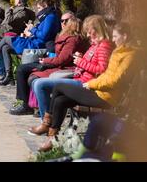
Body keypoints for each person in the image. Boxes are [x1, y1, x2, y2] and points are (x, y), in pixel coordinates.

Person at [36, 22, 137, 152]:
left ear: (125, 35)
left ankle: (48, 127)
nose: (113, 39)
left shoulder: (130, 55)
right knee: (60, 100)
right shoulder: (118, 51)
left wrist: (91, 84)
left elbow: (114, 80)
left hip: (107, 97)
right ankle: (52, 137)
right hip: (99, 91)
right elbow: (107, 74)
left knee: (59, 87)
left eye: (116, 36)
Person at [29, 15, 113, 132]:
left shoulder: (104, 46)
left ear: (96, 30)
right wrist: (81, 58)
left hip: (86, 83)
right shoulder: (95, 45)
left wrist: (81, 62)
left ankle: (47, 123)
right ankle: (48, 125)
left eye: (89, 32)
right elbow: (91, 63)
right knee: (40, 84)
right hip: (79, 78)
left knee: (40, 84)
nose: (88, 35)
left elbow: (101, 70)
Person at [10, 12, 85, 115]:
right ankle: (28, 105)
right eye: (61, 21)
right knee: (22, 69)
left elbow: (62, 59)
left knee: (28, 74)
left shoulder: (72, 39)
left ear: (73, 22)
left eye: (66, 21)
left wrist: (45, 61)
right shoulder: (63, 35)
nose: (63, 23)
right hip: (54, 62)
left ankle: (36, 107)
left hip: (61, 67)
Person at [0, 0, 61, 86]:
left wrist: (32, 30)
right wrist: (30, 31)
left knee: (7, 38)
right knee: (5, 47)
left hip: (36, 45)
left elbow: (44, 36)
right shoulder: (47, 16)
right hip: (34, 42)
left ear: (46, 6)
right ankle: (9, 77)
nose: (38, 10)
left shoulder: (50, 17)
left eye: (39, 8)